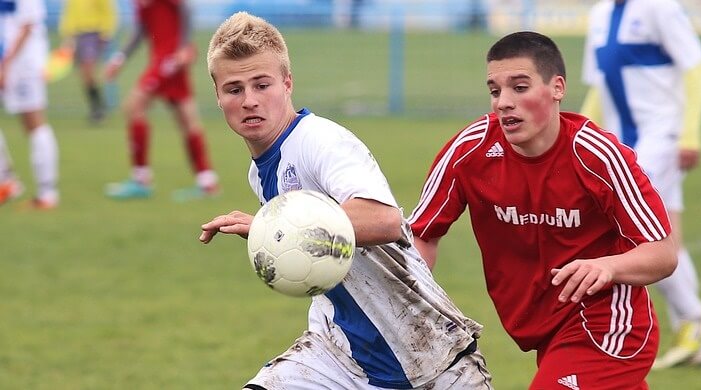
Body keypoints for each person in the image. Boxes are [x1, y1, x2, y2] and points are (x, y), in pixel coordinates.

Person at [198, 12, 492, 389]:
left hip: (433, 361)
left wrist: (274, 226)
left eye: (262, 84)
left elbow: (383, 219)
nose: (250, 100)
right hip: (340, 357)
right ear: (218, 98)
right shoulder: (259, 172)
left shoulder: (320, 141)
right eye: (234, 89)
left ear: (287, 84)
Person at [408, 31, 677, 389]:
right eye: (494, 90)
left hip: (608, 326)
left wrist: (606, 266)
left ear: (557, 88)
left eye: (519, 88)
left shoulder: (597, 156)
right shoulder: (469, 151)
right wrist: (409, 307)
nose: (503, 102)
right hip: (544, 331)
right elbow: (421, 234)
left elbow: (663, 252)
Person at [580, 0, 701, 369]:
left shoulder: (659, 7)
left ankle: (694, 314)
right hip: (625, 143)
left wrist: (689, 134)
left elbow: (695, 69)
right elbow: (599, 86)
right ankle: (694, 339)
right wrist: (580, 134)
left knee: (636, 233)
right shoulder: (599, 14)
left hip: (662, 138)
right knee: (665, 235)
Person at [104, 0, 219, 201]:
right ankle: (207, 181)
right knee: (186, 118)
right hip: (163, 58)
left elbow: (186, 8)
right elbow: (141, 30)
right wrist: (119, 59)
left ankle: (141, 179)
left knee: (134, 106)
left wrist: (184, 47)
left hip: (171, 59)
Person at [0, 0, 60, 210]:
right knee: (31, 125)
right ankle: (6, 182)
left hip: (25, 63)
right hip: (11, 61)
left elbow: (28, 26)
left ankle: (47, 193)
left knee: (34, 123)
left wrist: (6, 63)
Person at [57, 0, 118, 123]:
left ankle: (97, 109)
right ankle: (97, 105)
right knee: (84, 75)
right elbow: (68, 14)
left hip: (93, 33)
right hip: (75, 35)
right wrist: (67, 35)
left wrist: (106, 32)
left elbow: (108, 12)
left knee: (88, 70)